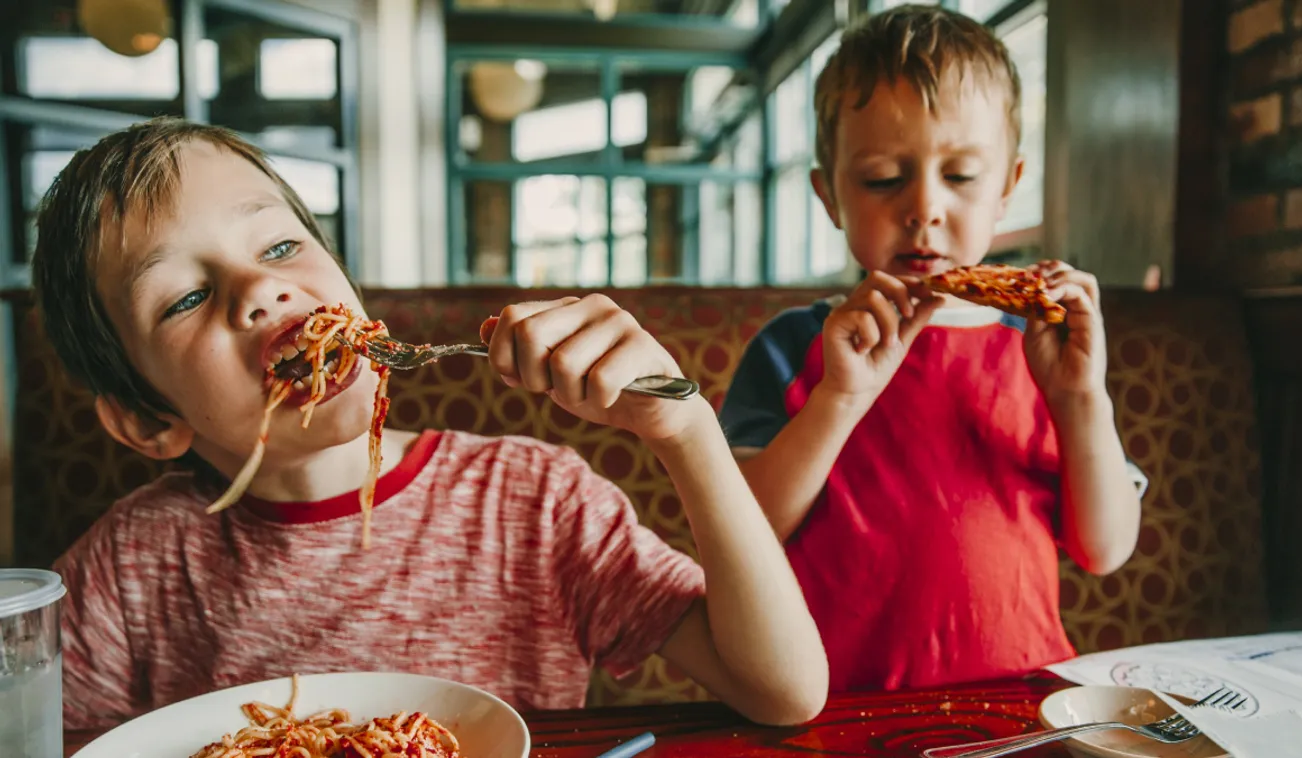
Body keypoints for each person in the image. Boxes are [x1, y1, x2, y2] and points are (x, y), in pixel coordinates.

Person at [34, 117, 827, 729]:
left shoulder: (531, 500)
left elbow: (782, 690)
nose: (259, 289)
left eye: (279, 244)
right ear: (146, 422)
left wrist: (684, 430)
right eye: (183, 297)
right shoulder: (131, 566)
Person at [719, 5, 1146, 692]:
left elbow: (1104, 549)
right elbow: (744, 533)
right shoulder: (793, 346)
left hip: (1020, 700)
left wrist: (1078, 399)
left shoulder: (1041, 354)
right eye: (883, 177)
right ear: (828, 194)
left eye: (961, 176)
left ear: (1006, 186)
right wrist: (837, 398)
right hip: (832, 705)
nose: (923, 207)